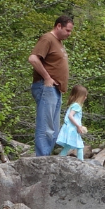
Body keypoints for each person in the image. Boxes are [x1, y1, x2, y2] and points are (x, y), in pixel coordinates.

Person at [28, 15, 74, 156]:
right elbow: (33, 58)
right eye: (67, 30)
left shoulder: (58, 42)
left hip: (56, 89)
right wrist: (47, 78)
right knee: (46, 127)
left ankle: (46, 157)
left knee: (54, 128)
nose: (69, 34)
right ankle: (41, 159)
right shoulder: (47, 38)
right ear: (58, 26)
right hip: (46, 87)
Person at [55, 84, 89, 158]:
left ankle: (60, 158)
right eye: (84, 96)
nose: (85, 97)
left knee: (67, 146)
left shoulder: (73, 105)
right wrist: (78, 126)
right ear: (80, 96)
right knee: (80, 146)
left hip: (69, 128)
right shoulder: (77, 106)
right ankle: (81, 163)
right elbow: (70, 116)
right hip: (73, 129)